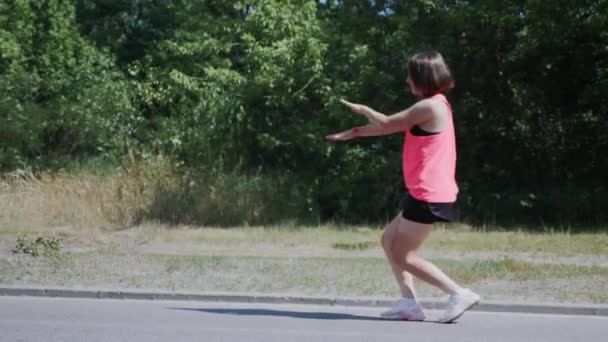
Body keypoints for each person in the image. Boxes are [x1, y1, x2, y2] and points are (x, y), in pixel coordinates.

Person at [326, 51, 479, 323]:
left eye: (411, 75)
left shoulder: (430, 106)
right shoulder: (435, 105)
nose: (407, 79)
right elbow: (390, 127)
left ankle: (458, 293)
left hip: (429, 193)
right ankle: (409, 304)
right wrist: (355, 132)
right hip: (423, 191)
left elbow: (386, 122)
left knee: (403, 254)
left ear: (423, 77)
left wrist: (363, 110)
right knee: (388, 240)